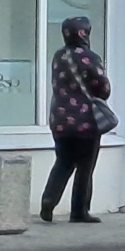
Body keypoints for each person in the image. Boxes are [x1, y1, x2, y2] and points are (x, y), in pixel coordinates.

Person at [41, 15, 111, 223]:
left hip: (60, 119)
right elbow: (103, 88)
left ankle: (48, 200)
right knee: (85, 167)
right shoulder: (90, 57)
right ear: (85, 33)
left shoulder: (58, 56)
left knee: (63, 162)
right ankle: (79, 210)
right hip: (86, 121)